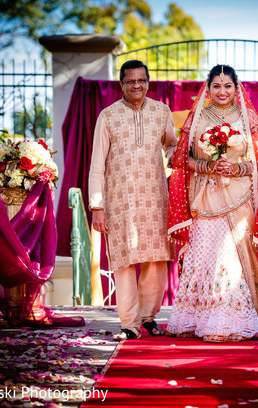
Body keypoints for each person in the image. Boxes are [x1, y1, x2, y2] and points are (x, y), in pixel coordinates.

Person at [167, 64, 258, 342]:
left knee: (233, 257)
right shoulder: (198, 118)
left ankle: (235, 320)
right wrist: (209, 166)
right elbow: (182, 159)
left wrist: (236, 169)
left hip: (239, 197)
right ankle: (200, 320)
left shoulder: (246, 118)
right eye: (216, 85)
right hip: (206, 196)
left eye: (228, 85)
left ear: (236, 88)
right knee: (206, 254)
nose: (222, 90)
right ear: (208, 88)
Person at [88, 59, 178, 340]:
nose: (136, 85)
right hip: (120, 201)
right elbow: (96, 164)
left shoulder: (161, 111)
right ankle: (129, 323)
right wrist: (97, 206)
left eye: (141, 80)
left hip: (154, 198)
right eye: (131, 81)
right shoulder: (109, 115)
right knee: (124, 262)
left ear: (148, 82)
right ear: (122, 84)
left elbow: (172, 144)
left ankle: (149, 317)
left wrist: (187, 153)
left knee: (156, 260)